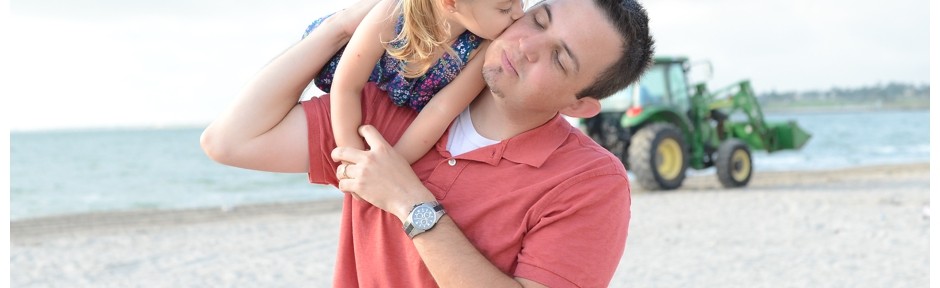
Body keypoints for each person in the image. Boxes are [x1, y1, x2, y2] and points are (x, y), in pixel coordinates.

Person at [201, 0, 654, 286]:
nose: (526, 45)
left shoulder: (590, 183)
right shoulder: (385, 109)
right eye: (538, 19)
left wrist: (411, 202)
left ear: (581, 106)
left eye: (558, 57)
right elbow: (230, 141)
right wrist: (341, 29)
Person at [303, 0, 524, 164]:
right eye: (505, 8)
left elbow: (441, 110)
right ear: (451, 3)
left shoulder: (481, 46)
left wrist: (392, 165)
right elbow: (347, 86)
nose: (519, 13)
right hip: (336, 59)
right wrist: (351, 155)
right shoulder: (392, 13)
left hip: (392, 93)